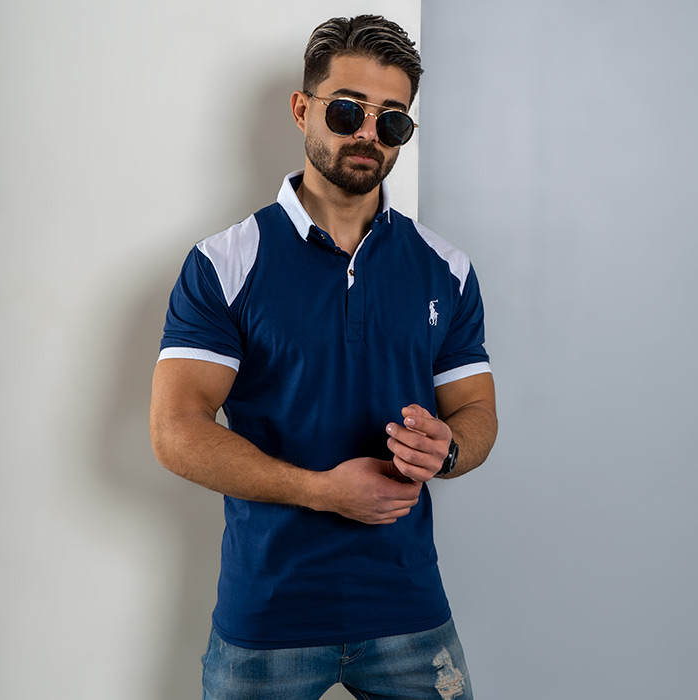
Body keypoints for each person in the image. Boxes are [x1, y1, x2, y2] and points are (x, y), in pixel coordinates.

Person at [150, 14, 497, 700]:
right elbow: (175, 431)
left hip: (409, 611)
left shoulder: (447, 270)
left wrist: (449, 449)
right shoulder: (224, 264)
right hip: (268, 617)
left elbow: (476, 409)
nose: (369, 133)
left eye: (391, 120)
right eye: (347, 110)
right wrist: (321, 491)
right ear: (303, 109)